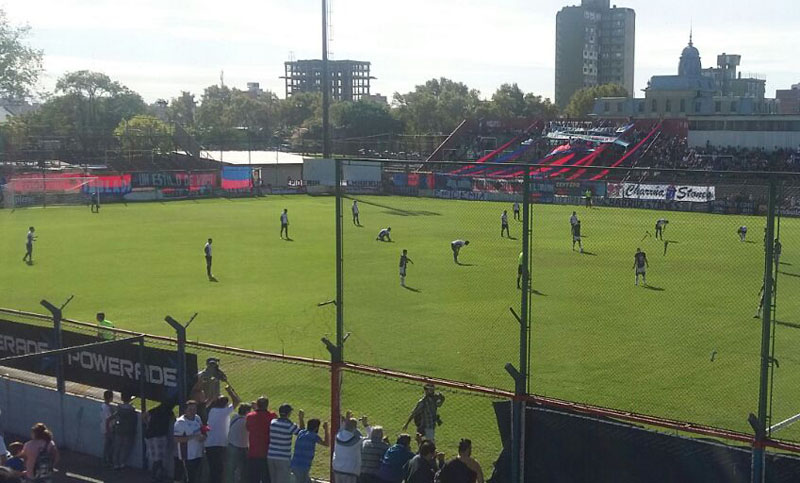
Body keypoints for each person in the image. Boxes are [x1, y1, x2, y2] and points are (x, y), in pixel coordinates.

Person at [206, 384, 242, 483]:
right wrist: (229, 390)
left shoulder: (211, 410)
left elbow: (209, 402)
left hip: (209, 444)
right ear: (225, 405)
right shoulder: (225, 411)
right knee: (220, 469)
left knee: (213, 469)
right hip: (220, 445)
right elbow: (237, 401)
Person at [267, 404, 305, 483]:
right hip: (283, 458)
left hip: (270, 456)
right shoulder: (290, 425)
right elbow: (302, 433)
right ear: (288, 413)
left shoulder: (272, 422)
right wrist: (301, 419)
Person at [143, 401, 175, 483]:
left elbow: (144, 415)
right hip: (159, 435)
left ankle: (156, 474)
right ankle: (156, 475)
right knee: (159, 458)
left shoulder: (155, 409)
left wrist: (147, 424)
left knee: (156, 458)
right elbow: (174, 421)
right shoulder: (169, 412)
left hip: (149, 435)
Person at [174, 400, 206, 483]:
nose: (193, 412)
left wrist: (204, 436)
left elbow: (202, 430)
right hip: (188, 455)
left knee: (197, 476)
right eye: (190, 410)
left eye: (194, 409)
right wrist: (193, 437)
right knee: (191, 477)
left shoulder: (197, 418)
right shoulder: (180, 422)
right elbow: (177, 439)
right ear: (185, 410)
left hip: (198, 452)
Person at [246, 397, 276, 483]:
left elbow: (248, 428)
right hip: (267, 452)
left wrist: (256, 409)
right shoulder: (272, 416)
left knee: (253, 478)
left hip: (253, 452)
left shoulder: (250, 416)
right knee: (266, 478)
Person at [290, 418, 329, 483]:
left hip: (294, 464)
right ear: (316, 428)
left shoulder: (301, 432)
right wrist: (326, 430)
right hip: (303, 466)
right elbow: (326, 443)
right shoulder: (313, 436)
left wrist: (301, 418)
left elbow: (302, 428)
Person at [191, 357, 228, 423]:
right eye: (211, 364)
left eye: (214, 365)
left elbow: (225, 379)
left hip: (216, 399)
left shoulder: (217, 373)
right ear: (208, 365)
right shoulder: (202, 374)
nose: (213, 366)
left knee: (218, 420)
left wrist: (218, 371)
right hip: (207, 400)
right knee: (207, 419)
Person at [332, 418, 364, 483]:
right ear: (355, 428)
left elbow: (341, 430)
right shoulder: (357, 440)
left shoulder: (337, 436)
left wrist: (346, 422)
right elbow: (366, 436)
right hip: (350, 471)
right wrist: (365, 425)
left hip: (337, 469)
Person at [111, 392, 138, 471]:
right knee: (125, 447)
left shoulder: (119, 408)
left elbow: (116, 418)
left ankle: (115, 463)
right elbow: (134, 421)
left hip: (119, 429)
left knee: (117, 447)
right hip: (128, 430)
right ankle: (122, 463)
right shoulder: (132, 409)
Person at [226, 403, 251, 483]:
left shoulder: (235, 417)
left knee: (231, 469)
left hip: (231, 446)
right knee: (242, 470)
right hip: (241, 448)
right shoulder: (246, 421)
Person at [100, 390, 114, 467]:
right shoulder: (107, 408)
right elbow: (108, 419)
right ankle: (107, 460)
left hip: (104, 427)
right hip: (108, 428)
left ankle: (105, 459)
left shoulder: (103, 406)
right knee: (109, 445)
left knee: (107, 445)